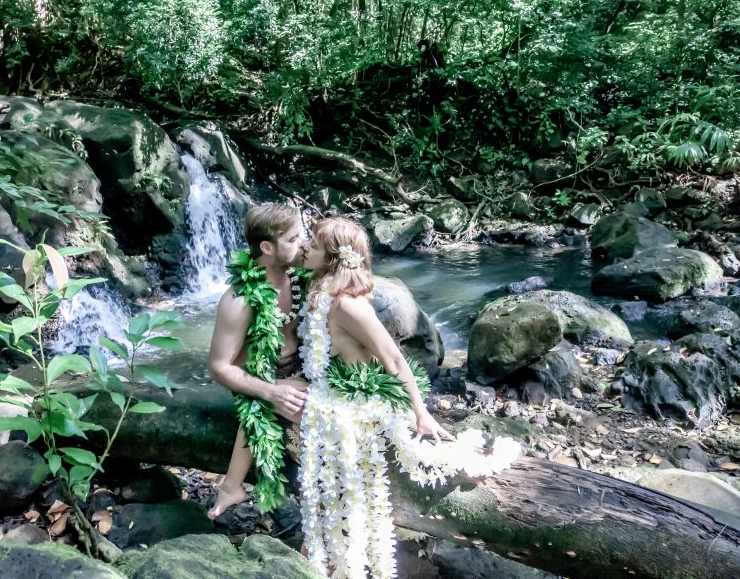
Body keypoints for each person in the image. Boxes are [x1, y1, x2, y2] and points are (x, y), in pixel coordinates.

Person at [296, 217, 521, 579]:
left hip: (355, 407)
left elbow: (395, 359)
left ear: (335, 258)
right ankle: (318, 555)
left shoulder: (349, 306)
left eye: (314, 243)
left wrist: (421, 412)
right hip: (329, 395)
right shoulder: (319, 292)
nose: (305, 247)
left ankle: (335, 562)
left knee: (340, 493)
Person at [206, 203, 312, 520]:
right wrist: (268, 391)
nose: (303, 244)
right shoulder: (238, 301)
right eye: (293, 239)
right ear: (267, 247)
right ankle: (232, 486)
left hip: (304, 370)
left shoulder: (300, 275)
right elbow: (219, 367)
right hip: (259, 379)